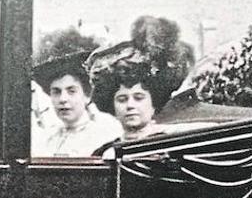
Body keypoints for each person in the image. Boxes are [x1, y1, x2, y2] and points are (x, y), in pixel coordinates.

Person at [88, 15, 195, 143]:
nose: (130, 105)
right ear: (112, 107)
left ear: (154, 104)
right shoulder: (105, 153)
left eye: (138, 98)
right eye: (122, 99)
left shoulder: (172, 144)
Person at [31, 50, 121, 156]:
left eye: (71, 91)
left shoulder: (104, 136)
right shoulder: (47, 139)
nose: (63, 99)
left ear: (86, 96)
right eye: (56, 92)